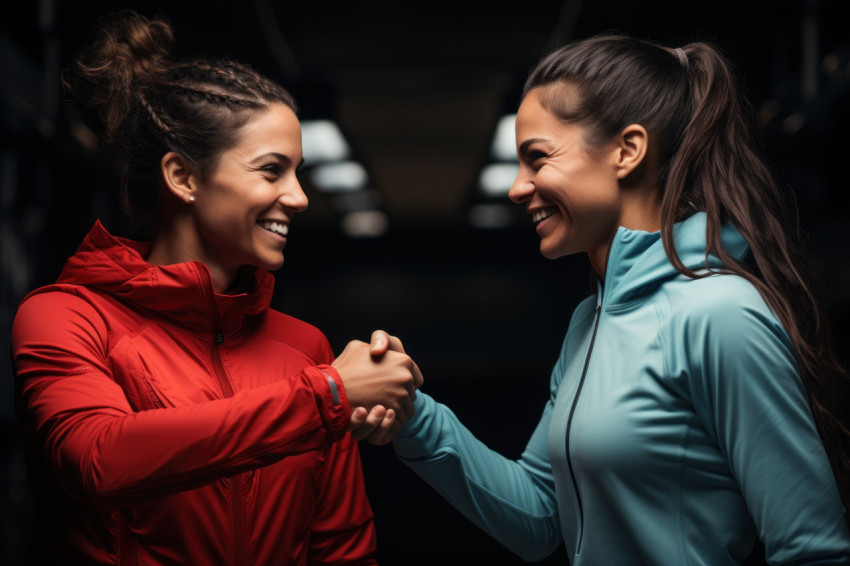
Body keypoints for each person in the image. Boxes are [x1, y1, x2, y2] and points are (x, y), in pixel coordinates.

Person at [359, 33, 850, 564]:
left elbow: (812, 550)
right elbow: (540, 516)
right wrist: (414, 416)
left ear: (627, 151)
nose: (517, 188)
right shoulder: (589, 322)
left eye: (537, 158)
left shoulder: (720, 314)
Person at [10, 10, 421, 565]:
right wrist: (323, 397)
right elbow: (97, 460)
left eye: (298, 172)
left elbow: (341, 548)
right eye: (272, 170)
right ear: (183, 177)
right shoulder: (65, 318)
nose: (299, 197)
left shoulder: (307, 349)